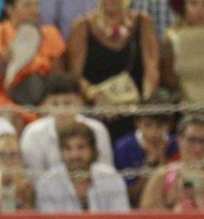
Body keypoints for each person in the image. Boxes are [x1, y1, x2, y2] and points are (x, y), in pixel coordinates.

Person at [65, 0, 158, 142]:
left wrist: (144, 106)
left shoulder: (143, 22)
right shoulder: (82, 25)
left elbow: (151, 69)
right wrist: (95, 95)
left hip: (134, 109)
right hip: (98, 109)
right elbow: (75, 75)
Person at [0, 0, 64, 110]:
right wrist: (2, 63)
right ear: (9, 9)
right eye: (28, 5)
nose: (36, 11)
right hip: (1, 106)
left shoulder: (50, 35)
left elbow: (58, 83)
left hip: (41, 104)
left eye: (37, 5)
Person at [18, 73, 114, 177]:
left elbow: (106, 173)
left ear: (79, 103)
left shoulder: (97, 130)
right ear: (46, 105)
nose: (61, 110)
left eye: (67, 103)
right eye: (55, 104)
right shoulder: (33, 133)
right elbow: (33, 178)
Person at [137, 112, 204, 210]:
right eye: (191, 140)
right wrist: (170, 204)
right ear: (179, 140)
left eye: (203, 141)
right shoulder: (161, 177)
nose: (197, 147)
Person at [35, 123, 129, 211]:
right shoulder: (47, 183)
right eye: (68, 148)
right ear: (61, 152)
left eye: (81, 147)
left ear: (93, 150)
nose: (74, 155)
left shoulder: (111, 178)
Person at [112, 101, 176, 204]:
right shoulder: (123, 147)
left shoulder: (176, 145)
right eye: (148, 125)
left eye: (160, 126)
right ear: (137, 123)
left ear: (169, 126)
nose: (153, 132)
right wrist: (150, 164)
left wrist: (162, 160)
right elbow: (131, 196)